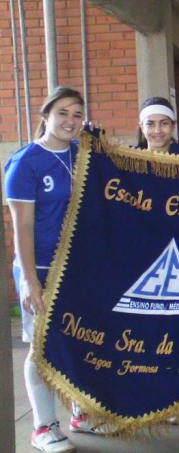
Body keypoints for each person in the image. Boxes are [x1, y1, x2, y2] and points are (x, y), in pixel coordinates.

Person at [5, 87, 96, 453]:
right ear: (46, 115)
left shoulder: (83, 155)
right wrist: (29, 280)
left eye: (77, 114)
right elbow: (21, 227)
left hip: (78, 266)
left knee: (77, 341)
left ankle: (80, 413)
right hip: (40, 266)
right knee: (41, 348)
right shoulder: (26, 161)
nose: (70, 121)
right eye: (63, 113)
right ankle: (44, 426)